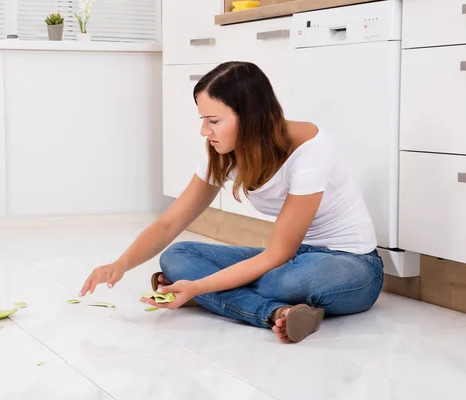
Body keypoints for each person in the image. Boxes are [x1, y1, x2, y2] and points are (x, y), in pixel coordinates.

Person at [80, 61, 384, 344]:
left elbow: (278, 253)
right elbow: (169, 223)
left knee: (281, 282)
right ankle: (278, 313)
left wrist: (200, 286)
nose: (204, 131)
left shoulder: (311, 151)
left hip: (351, 266)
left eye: (213, 120)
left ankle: (224, 299)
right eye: (202, 119)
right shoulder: (228, 150)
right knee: (178, 255)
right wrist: (120, 264)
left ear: (250, 116)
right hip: (292, 257)